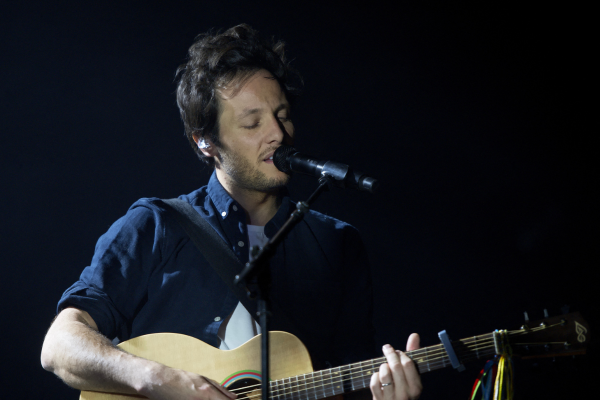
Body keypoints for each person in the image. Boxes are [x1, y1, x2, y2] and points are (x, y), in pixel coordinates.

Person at [41, 24, 422, 400]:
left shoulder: (338, 244)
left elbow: (347, 378)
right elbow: (60, 346)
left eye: (283, 114)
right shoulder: (155, 225)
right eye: (252, 122)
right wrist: (157, 379)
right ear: (205, 141)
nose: (277, 133)